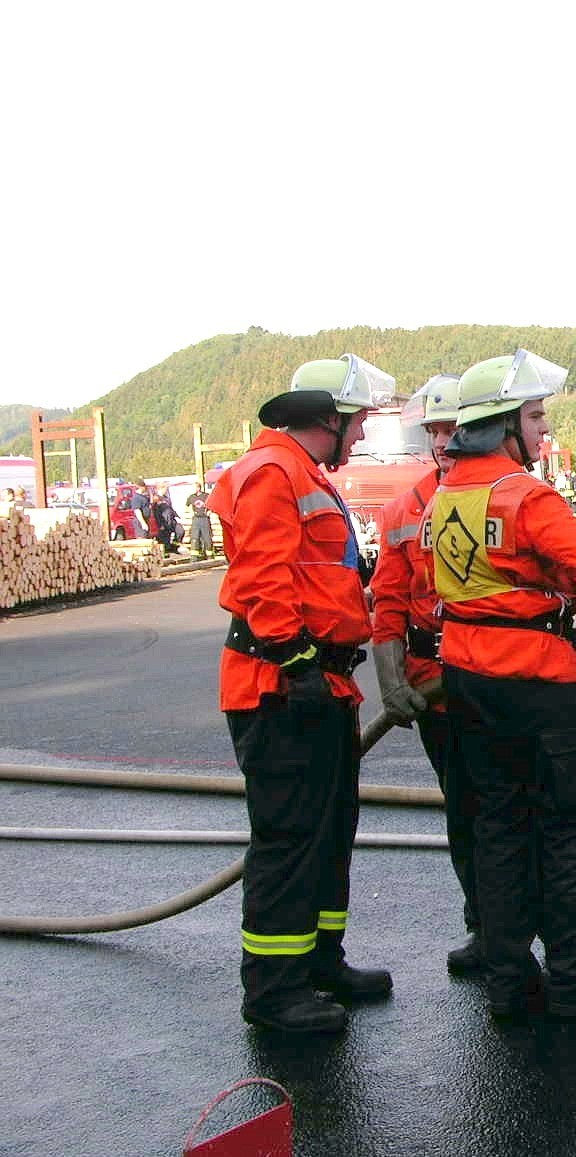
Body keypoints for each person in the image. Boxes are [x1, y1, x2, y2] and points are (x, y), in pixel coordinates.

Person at [425, 348, 576, 1023]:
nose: (543, 432)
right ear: (504, 426)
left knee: (497, 826)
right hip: (535, 678)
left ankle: (508, 980)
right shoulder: (524, 495)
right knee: (571, 823)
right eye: (535, 418)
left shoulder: (445, 497)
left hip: (466, 676)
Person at [208, 353, 394, 1034]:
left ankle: (320, 962)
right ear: (328, 419)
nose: (364, 437)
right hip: (281, 687)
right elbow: (263, 578)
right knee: (289, 841)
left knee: (327, 832)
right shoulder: (272, 473)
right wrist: (298, 660)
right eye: (360, 423)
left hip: (316, 684)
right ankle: (274, 991)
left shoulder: (300, 472)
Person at [370, 375, 484, 977]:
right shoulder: (401, 512)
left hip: (494, 679)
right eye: (435, 430)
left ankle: (522, 927)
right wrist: (391, 683)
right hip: (433, 689)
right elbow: (386, 603)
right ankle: (484, 926)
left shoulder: (505, 494)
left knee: (515, 805)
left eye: (453, 428)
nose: (443, 441)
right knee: (464, 810)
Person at [187, 484, 215, 557]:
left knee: (207, 537)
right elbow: (187, 506)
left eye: (196, 487)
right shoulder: (191, 497)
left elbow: (213, 504)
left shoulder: (206, 496)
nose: (195, 489)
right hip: (196, 519)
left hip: (204, 518)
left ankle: (209, 555)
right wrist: (190, 512)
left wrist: (210, 511)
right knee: (195, 537)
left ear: (199, 488)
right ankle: (195, 556)